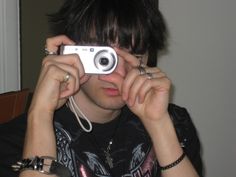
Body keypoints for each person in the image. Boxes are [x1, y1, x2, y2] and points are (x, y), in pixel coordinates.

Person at [0, 0, 203, 177]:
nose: (118, 72)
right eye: (104, 58)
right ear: (68, 50)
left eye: (134, 54)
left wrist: (159, 125)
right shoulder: (17, 139)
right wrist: (40, 115)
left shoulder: (175, 124)